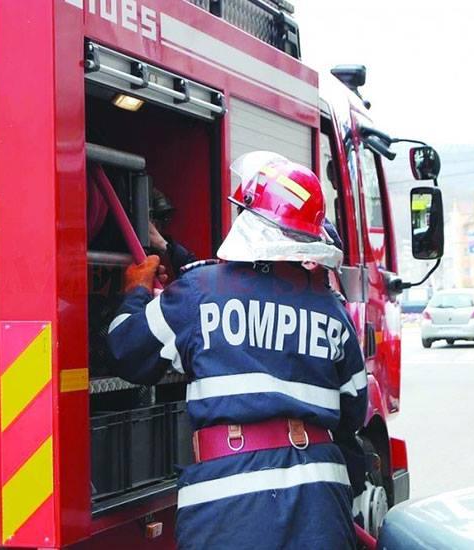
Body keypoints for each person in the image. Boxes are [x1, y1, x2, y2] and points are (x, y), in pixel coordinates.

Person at [107, 152, 367, 549]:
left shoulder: (200, 291)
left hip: (230, 508)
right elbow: (353, 411)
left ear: (247, 218)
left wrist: (136, 292)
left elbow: (127, 350)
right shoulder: (332, 309)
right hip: (320, 507)